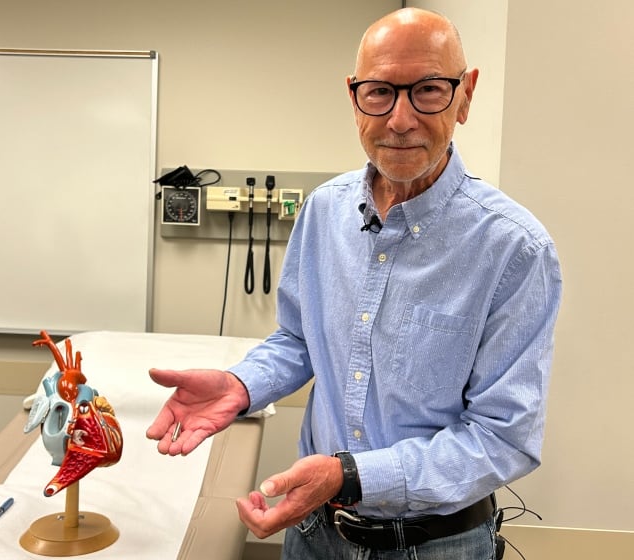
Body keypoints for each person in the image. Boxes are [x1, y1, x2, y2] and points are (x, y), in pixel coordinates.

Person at [147, 7, 562, 560]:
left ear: (466, 96)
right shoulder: (324, 211)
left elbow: (503, 438)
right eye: (380, 92)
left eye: (429, 90)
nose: (400, 118)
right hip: (316, 534)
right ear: (353, 96)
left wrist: (351, 475)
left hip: (436, 544)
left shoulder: (514, 248)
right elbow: (299, 339)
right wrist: (241, 385)